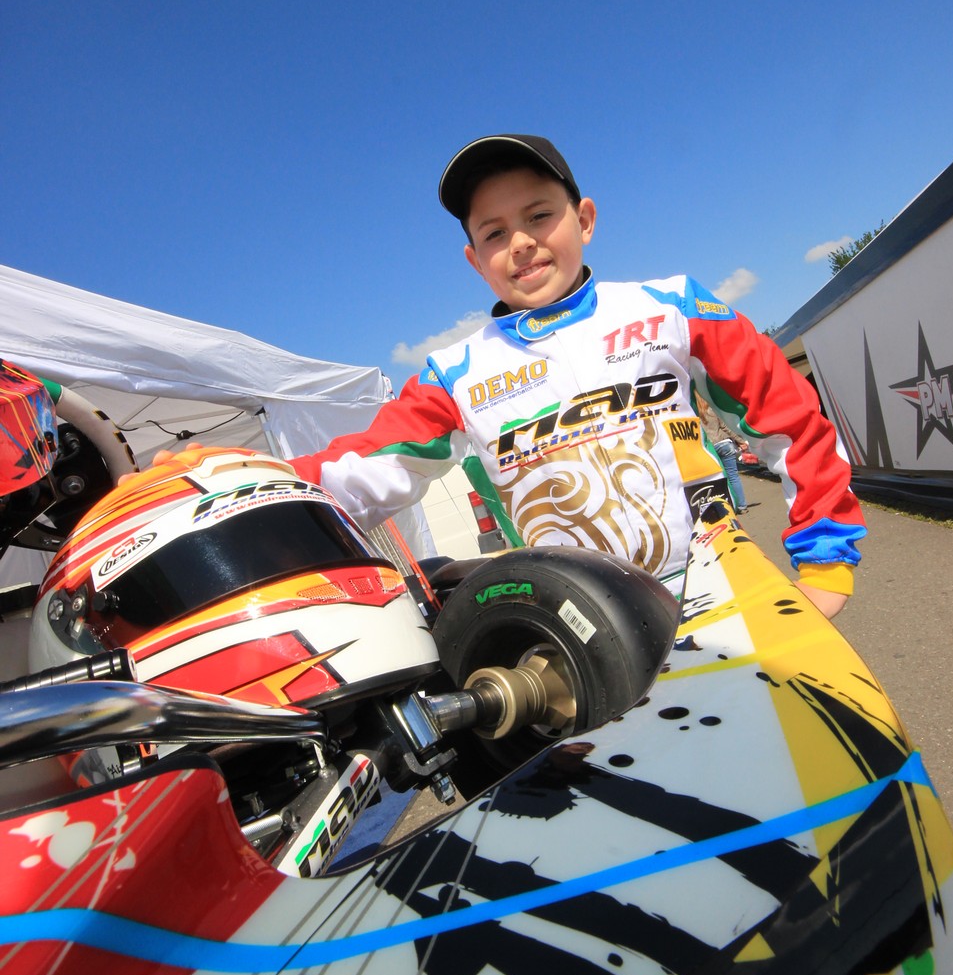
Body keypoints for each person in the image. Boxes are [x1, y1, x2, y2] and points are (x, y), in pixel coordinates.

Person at [283, 134, 864, 620]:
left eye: (539, 216)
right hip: (584, 631)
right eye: (493, 233)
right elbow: (359, 470)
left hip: (729, 594)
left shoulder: (673, 306)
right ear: (475, 260)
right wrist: (248, 482)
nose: (520, 242)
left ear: (584, 220)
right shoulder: (453, 373)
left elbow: (791, 420)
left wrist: (826, 564)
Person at [696, 395, 749, 514]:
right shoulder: (712, 410)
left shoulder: (693, 415)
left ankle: (725, 507)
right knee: (733, 476)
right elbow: (725, 427)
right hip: (724, 444)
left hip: (709, 449)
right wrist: (740, 441)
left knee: (717, 479)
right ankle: (742, 505)